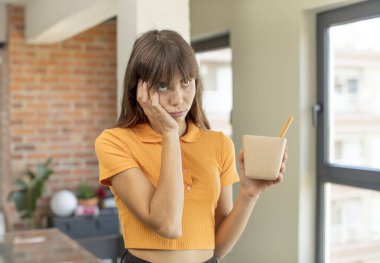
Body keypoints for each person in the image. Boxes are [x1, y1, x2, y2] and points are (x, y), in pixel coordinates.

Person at [95, 29, 287, 263]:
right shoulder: (115, 142)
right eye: (163, 86)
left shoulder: (218, 144)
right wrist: (169, 134)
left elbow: (218, 247)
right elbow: (167, 224)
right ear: (140, 89)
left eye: (186, 82)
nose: (178, 99)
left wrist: (249, 193)